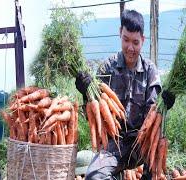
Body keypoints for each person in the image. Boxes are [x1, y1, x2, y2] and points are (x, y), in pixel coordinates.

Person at [75, 9, 175, 179]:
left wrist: (165, 105)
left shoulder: (150, 71)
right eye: (126, 40)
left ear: (143, 40)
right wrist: (86, 94)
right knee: (93, 176)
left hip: (142, 144)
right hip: (114, 144)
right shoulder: (106, 68)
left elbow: (154, 120)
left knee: (158, 142)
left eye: (135, 42)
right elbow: (93, 115)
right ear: (120, 33)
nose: (130, 48)